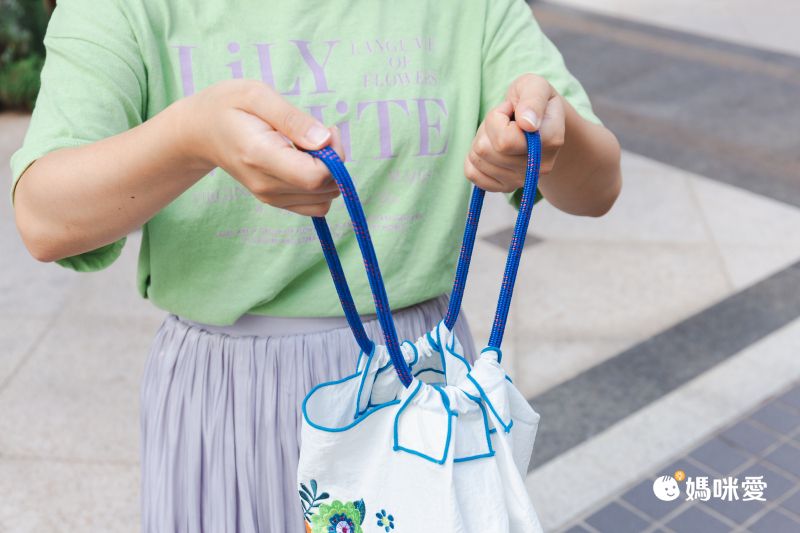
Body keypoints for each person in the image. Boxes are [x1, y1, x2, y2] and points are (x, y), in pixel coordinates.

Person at [9, 0, 622, 530]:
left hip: (420, 387)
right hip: (225, 400)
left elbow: (597, 186)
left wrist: (546, 138)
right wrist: (190, 139)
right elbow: (44, 216)